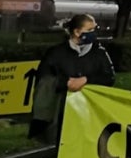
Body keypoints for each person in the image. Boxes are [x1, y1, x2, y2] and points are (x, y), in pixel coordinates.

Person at [29, 14, 115, 147]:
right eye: (90, 30)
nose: (94, 33)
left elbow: (109, 77)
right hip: (62, 113)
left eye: (94, 29)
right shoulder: (55, 53)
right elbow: (44, 77)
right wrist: (66, 83)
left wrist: (86, 80)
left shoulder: (99, 53)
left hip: (89, 114)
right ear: (76, 32)